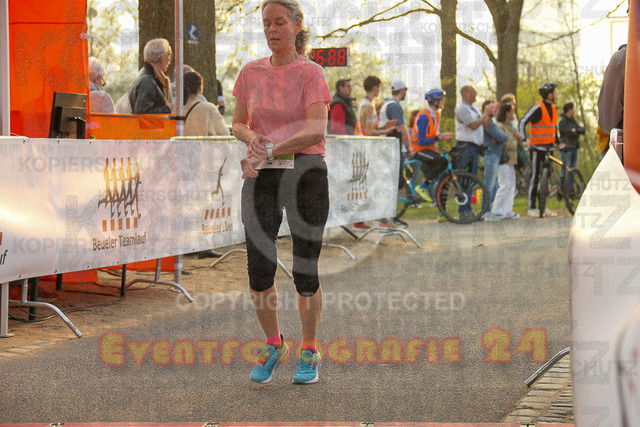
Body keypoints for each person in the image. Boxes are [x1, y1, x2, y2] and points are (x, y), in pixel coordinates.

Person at [232, 0, 332, 385]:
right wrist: (251, 136)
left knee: (305, 267)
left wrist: (274, 147)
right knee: (259, 267)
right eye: (266, 24)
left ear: (296, 25)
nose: (272, 30)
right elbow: (237, 123)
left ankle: (309, 348)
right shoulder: (250, 72)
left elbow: (316, 130)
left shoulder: (312, 73)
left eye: (279, 23)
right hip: (264, 173)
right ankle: (274, 344)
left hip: (305, 170)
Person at [352, 75, 396, 229]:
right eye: (379, 87)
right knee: (376, 183)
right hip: (366, 148)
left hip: (362, 148)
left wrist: (384, 128)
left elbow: (368, 128)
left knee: (366, 184)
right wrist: (386, 131)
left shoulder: (364, 103)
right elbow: (369, 132)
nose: (379, 90)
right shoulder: (369, 106)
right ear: (375, 87)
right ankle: (381, 219)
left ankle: (359, 220)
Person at [453, 85, 494, 218]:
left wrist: (489, 115)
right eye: (472, 92)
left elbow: (484, 125)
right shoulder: (461, 109)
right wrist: (485, 114)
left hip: (475, 147)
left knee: (472, 179)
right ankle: (463, 211)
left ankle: (468, 210)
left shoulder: (474, 109)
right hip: (465, 147)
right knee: (465, 179)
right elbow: (473, 125)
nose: (475, 94)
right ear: (465, 94)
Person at [520, 82, 559, 218]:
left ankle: (543, 206)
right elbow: (523, 121)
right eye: (554, 91)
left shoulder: (553, 108)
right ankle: (532, 207)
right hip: (537, 148)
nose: (556, 94)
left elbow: (553, 127)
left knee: (547, 179)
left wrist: (559, 142)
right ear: (549, 94)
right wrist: (524, 139)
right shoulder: (538, 107)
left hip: (549, 148)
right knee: (535, 177)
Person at [379, 80, 413, 227]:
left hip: (387, 148)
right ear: (402, 90)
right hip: (391, 149)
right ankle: (387, 218)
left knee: (392, 183)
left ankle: (389, 217)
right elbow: (402, 129)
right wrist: (409, 148)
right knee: (392, 184)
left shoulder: (386, 104)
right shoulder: (394, 106)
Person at [410, 89, 453, 204]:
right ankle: (422, 187)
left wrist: (442, 135)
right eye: (441, 100)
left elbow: (434, 134)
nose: (443, 102)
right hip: (418, 150)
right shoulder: (424, 117)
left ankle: (441, 207)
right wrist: (439, 138)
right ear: (435, 101)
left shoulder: (436, 114)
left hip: (428, 150)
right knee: (443, 161)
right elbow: (422, 140)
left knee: (443, 172)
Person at [491, 102, 522, 220]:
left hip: (512, 159)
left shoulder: (511, 126)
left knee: (512, 186)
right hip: (503, 159)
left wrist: (518, 138)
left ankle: (508, 210)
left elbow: (516, 141)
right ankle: (497, 209)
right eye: (512, 111)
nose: (514, 113)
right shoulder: (500, 126)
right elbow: (504, 142)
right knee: (505, 184)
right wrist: (515, 141)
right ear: (507, 112)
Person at [129, 38, 173, 114]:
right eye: (169, 55)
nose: (169, 60)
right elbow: (143, 113)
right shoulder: (147, 81)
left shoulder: (148, 76)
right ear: (161, 58)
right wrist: (167, 109)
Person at [183, 71, 230, 137]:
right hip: (201, 143)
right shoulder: (208, 108)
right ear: (200, 88)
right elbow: (224, 133)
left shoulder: (176, 109)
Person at [480, 99, 507, 215]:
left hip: (494, 154)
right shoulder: (487, 121)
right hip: (491, 154)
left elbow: (500, 137)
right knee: (489, 184)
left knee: (493, 184)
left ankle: (488, 209)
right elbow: (502, 137)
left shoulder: (491, 122)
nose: (495, 109)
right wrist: (501, 136)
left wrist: (500, 137)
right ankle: (485, 211)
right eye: (492, 108)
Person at [558, 102, 585, 189]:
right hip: (566, 150)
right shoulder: (562, 121)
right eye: (573, 109)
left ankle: (570, 190)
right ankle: (562, 189)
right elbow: (565, 132)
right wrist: (573, 131)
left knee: (573, 171)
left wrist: (575, 130)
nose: (574, 110)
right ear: (569, 110)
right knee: (565, 170)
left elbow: (582, 130)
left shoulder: (573, 121)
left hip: (574, 148)